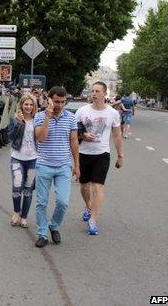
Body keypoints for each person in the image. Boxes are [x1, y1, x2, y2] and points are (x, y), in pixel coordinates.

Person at [33, 86, 80, 248]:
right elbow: (41, 138)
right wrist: (48, 116)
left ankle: (53, 225)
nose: (60, 105)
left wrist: (77, 165)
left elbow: (74, 141)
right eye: (56, 101)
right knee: (41, 202)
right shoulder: (39, 116)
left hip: (63, 166)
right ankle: (42, 233)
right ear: (49, 100)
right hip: (44, 165)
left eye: (63, 101)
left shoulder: (71, 118)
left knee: (63, 202)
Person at [75, 82, 123, 236]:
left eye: (97, 91)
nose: (94, 94)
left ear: (104, 94)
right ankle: (88, 206)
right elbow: (73, 133)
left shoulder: (112, 113)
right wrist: (83, 135)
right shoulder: (82, 111)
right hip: (83, 153)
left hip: (102, 154)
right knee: (84, 186)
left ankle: (93, 221)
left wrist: (120, 155)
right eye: (92, 91)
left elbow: (116, 135)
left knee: (98, 187)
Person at [7, 94, 38, 228]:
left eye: (31, 104)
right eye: (26, 104)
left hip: (33, 159)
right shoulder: (15, 119)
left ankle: (24, 217)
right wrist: (18, 124)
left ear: (34, 106)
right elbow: (10, 137)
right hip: (17, 157)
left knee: (28, 189)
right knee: (17, 186)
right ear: (21, 105)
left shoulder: (38, 120)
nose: (28, 107)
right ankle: (16, 212)